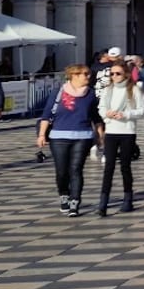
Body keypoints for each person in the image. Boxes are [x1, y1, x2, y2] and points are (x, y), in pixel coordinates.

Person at [36, 64, 103, 216]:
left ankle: (75, 201)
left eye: (88, 74)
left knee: (76, 169)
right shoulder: (58, 92)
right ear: (74, 75)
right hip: (58, 136)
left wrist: (100, 134)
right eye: (84, 74)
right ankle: (64, 196)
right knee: (61, 172)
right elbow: (46, 115)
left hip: (83, 136)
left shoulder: (91, 94)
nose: (88, 76)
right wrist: (41, 135)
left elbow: (95, 115)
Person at [96, 57, 144, 215]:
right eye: (112, 74)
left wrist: (125, 114)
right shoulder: (108, 90)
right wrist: (107, 114)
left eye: (118, 73)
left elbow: (142, 111)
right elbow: (101, 108)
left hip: (127, 132)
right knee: (108, 166)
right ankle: (103, 202)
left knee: (125, 166)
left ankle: (127, 199)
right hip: (111, 131)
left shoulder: (134, 90)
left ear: (126, 74)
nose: (114, 76)